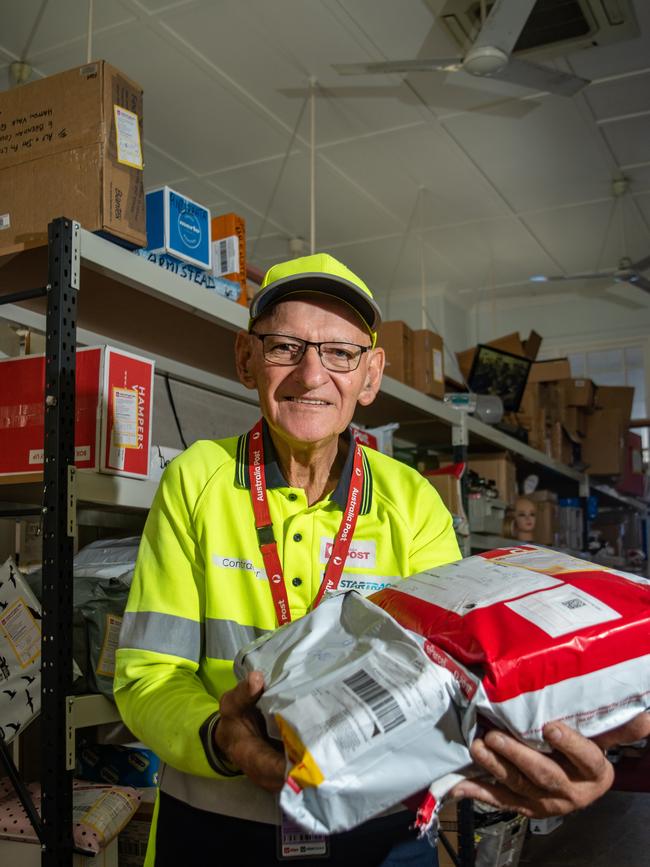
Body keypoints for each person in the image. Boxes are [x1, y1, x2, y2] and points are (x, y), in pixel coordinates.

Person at [114, 253, 650, 867]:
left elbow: (458, 677)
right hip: (217, 825)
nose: (311, 374)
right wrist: (222, 738)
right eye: (286, 346)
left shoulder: (412, 500)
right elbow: (147, 675)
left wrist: (543, 750)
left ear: (370, 376)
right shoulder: (196, 480)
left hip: (378, 833)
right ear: (246, 359)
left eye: (340, 353)